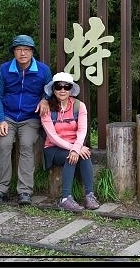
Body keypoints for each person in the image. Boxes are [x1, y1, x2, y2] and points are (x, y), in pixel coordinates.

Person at [0, 35, 53, 205]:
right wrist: (1, 120)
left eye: (26, 49)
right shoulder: (4, 69)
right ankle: (1, 189)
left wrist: (45, 99)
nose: (22, 53)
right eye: (18, 49)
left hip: (30, 117)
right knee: (4, 144)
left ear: (32, 52)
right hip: (8, 117)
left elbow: (50, 88)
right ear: (13, 52)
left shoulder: (43, 70)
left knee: (26, 144)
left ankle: (25, 191)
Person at [40, 72, 100, 212]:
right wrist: (74, 149)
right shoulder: (46, 108)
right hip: (53, 148)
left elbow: (82, 131)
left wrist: (76, 148)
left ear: (71, 89)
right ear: (53, 89)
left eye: (66, 87)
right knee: (71, 156)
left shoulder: (79, 106)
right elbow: (52, 136)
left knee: (85, 154)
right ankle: (65, 198)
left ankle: (89, 195)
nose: (62, 90)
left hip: (74, 145)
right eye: (58, 86)